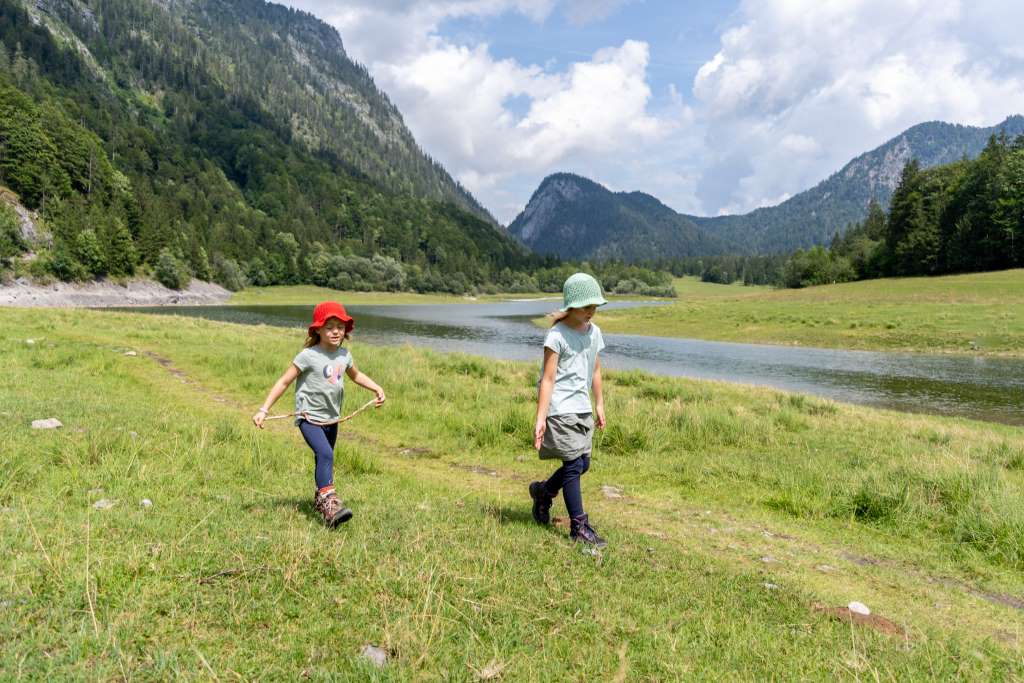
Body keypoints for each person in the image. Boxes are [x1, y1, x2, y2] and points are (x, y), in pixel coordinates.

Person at [252, 301, 385, 527]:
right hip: (309, 418)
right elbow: (284, 382)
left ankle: (320, 501)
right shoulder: (308, 355)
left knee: (323, 458)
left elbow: (356, 375)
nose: (336, 331)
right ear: (318, 329)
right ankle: (331, 503)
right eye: (330, 326)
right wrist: (263, 410)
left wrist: (376, 387)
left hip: (332, 419)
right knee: (326, 454)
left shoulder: (345, 355)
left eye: (340, 327)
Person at [529, 272, 608, 547]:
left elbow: (595, 369)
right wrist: (541, 418)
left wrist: (599, 403)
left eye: (595, 307)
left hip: (583, 408)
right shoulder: (556, 336)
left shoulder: (594, 333)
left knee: (582, 464)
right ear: (572, 306)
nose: (591, 312)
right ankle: (579, 526)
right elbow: (547, 379)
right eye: (587, 307)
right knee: (574, 464)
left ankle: (543, 491)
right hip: (561, 409)